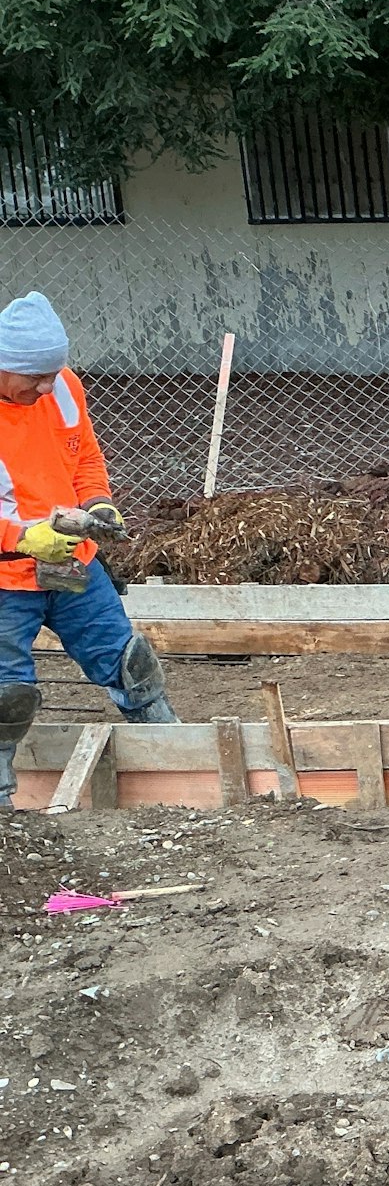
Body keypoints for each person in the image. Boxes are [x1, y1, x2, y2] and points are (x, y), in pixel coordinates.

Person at [0, 291, 177, 808]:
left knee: (131, 664)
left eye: (53, 373)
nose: (46, 385)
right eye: (34, 377)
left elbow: (84, 459)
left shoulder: (61, 387)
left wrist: (99, 504)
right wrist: (20, 537)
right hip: (6, 579)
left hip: (70, 564)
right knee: (5, 698)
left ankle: (180, 759)